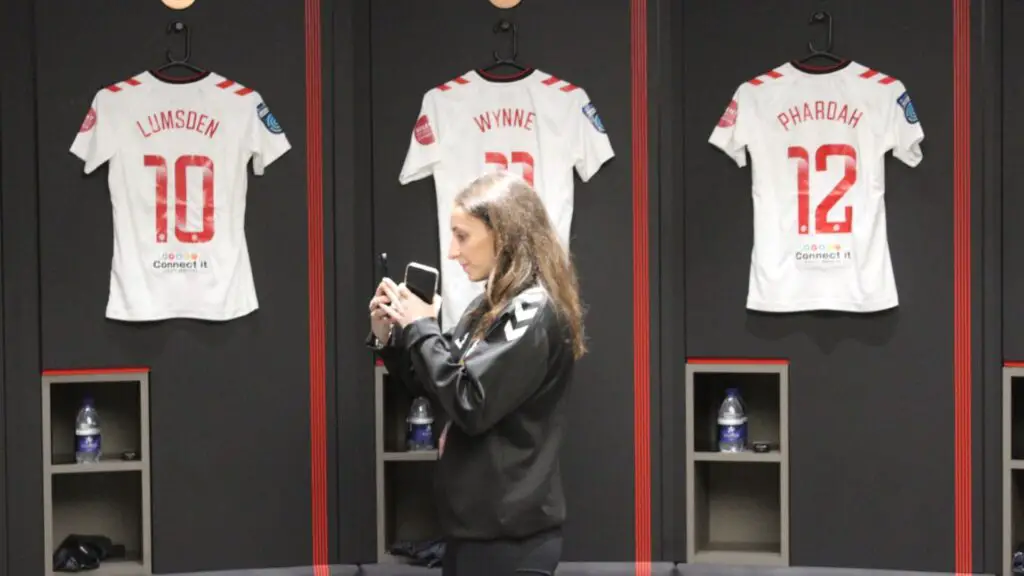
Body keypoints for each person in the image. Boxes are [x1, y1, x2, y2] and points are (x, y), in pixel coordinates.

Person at [367, 171, 586, 576]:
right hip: (473, 534)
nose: (452, 252)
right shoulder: (484, 307)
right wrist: (392, 338)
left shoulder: (532, 310)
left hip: (510, 543)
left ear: (503, 234)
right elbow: (437, 385)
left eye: (462, 236)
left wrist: (422, 328)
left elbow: (470, 402)